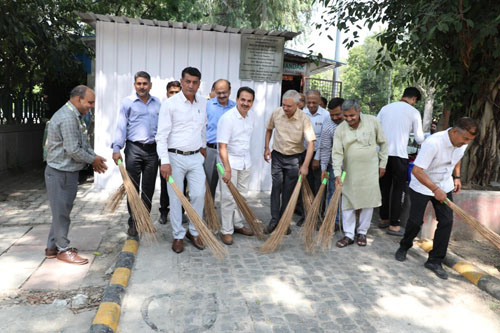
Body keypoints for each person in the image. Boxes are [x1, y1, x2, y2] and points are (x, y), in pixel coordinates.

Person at [395, 117, 477, 279]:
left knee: (446, 221)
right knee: (415, 221)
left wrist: (457, 177)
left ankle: (435, 260)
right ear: (454, 132)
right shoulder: (433, 143)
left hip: (444, 184)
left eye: (470, 140)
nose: (467, 142)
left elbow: (457, 158)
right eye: (465, 138)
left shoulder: (462, 143)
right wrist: (434, 189)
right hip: (423, 185)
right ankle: (404, 246)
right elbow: (417, 171)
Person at [45, 85, 107, 264]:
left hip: (66, 172)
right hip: (60, 173)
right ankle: (63, 249)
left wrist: (93, 157)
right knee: (61, 213)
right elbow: (73, 149)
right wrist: (91, 160)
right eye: (90, 102)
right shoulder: (67, 118)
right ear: (78, 99)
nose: (92, 106)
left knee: (60, 212)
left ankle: (52, 247)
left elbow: (83, 143)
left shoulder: (75, 116)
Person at [157, 67, 207, 254]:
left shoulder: (203, 102)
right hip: (174, 157)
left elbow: (202, 127)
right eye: (188, 81)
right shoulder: (170, 104)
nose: (191, 85)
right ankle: (178, 235)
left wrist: (202, 147)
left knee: (198, 194)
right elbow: (161, 135)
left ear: (199, 84)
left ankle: (194, 232)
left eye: (195, 82)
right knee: (176, 198)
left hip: (195, 157)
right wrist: (164, 161)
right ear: (181, 81)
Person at [332, 99, 388, 248]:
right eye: (346, 116)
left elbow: (383, 143)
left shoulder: (373, 121)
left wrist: (383, 164)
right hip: (350, 171)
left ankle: (362, 232)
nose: (349, 119)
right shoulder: (340, 129)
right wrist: (337, 173)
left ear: (359, 111)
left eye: (352, 115)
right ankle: (349, 235)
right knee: (348, 201)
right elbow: (337, 153)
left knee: (368, 202)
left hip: (371, 170)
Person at [111, 71, 161, 236]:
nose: (142, 86)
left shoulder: (158, 104)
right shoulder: (127, 103)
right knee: (132, 187)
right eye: (139, 83)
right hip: (134, 149)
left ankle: (145, 220)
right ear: (135, 85)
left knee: (148, 188)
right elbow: (121, 126)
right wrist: (116, 148)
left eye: (145, 83)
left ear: (150, 85)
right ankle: (133, 222)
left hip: (152, 150)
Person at [264, 89, 316, 234]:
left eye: (288, 106)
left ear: (297, 105)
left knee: (288, 191)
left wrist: (305, 166)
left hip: (294, 159)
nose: (285, 108)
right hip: (277, 156)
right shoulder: (277, 113)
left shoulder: (304, 119)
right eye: (283, 105)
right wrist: (266, 148)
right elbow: (269, 129)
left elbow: (311, 144)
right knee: (276, 187)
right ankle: (274, 220)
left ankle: (284, 221)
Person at [377, 87, 425, 236]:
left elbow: (375, 129)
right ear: (413, 99)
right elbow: (419, 138)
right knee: (398, 190)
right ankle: (394, 225)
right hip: (400, 156)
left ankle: (383, 219)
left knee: (384, 188)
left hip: (382, 155)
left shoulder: (385, 108)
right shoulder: (414, 112)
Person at [217, 87, 257, 245]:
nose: (245, 103)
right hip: (230, 163)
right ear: (237, 99)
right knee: (228, 198)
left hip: (245, 162)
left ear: (252, 102)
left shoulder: (251, 117)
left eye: (249, 101)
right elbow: (222, 147)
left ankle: (238, 224)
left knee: (242, 197)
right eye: (243, 100)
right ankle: (226, 231)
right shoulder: (228, 118)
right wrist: (227, 168)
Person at [297, 90, 329, 226]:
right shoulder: (301, 114)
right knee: (305, 186)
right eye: (308, 102)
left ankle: (317, 216)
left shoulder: (326, 115)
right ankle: (306, 214)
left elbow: (323, 139)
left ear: (320, 101)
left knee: (319, 187)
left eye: (314, 102)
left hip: (319, 156)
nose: (311, 105)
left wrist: (316, 158)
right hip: (303, 155)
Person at [204, 79, 236, 199]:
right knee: (208, 184)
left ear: (230, 91)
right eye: (219, 92)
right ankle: (208, 215)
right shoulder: (207, 105)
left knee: (229, 185)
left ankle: (228, 216)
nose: (222, 95)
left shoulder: (235, 107)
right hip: (211, 150)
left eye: (224, 92)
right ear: (214, 91)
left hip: (229, 151)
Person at [158, 80, 182, 225]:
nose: (173, 95)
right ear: (167, 93)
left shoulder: (184, 109)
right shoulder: (164, 108)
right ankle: (164, 211)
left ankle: (181, 212)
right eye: (171, 92)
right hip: (164, 153)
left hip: (180, 154)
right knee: (165, 183)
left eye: (176, 92)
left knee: (181, 184)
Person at [319, 98, 344, 228]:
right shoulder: (328, 125)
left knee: (350, 193)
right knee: (333, 192)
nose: (334, 117)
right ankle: (333, 221)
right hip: (335, 165)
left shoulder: (354, 121)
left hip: (354, 164)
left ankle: (348, 223)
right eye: (332, 114)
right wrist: (324, 168)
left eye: (338, 114)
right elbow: (325, 147)